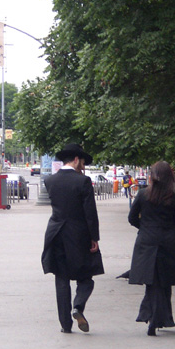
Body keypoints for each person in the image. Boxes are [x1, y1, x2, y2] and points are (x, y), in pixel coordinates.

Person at [41, 143, 104, 334]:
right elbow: (90, 213)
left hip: (55, 233)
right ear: (76, 159)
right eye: (82, 162)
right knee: (86, 276)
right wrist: (94, 237)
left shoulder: (50, 181)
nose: (83, 166)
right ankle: (78, 306)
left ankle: (65, 325)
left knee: (61, 279)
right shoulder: (82, 182)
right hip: (78, 235)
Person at [128, 161, 175, 336]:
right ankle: (159, 318)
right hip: (166, 242)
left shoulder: (143, 194)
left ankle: (152, 317)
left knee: (152, 280)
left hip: (146, 241)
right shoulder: (172, 197)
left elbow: (132, 217)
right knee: (164, 280)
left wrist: (144, 228)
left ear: (152, 176)